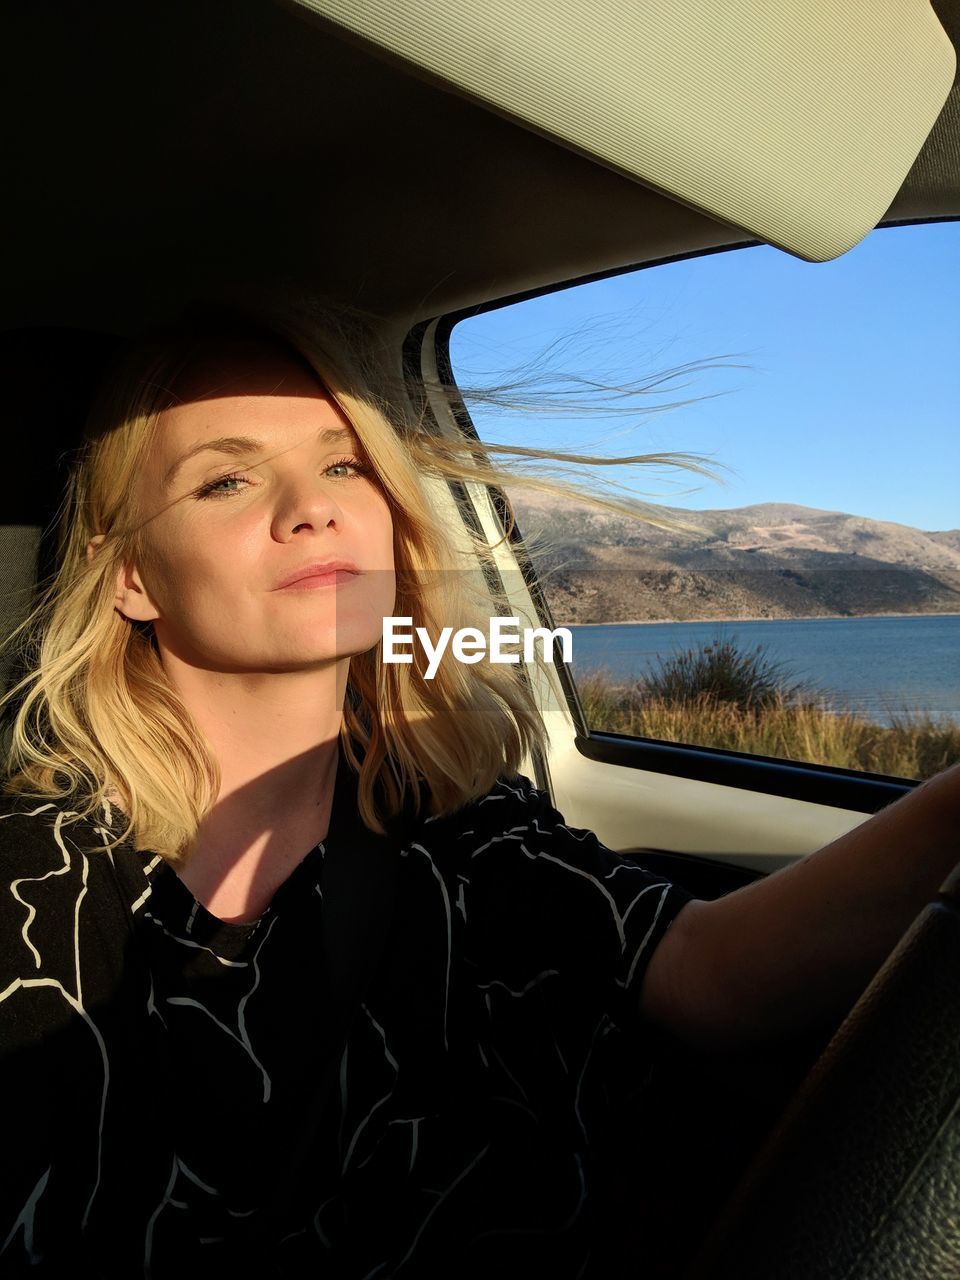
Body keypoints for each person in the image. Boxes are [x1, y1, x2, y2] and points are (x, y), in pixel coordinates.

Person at [0, 307, 957, 1278]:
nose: (314, 508)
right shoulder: (45, 874)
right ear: (128, 576)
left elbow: (707, 973)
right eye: (228, 478)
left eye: (344, 465)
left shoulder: (460, 816)